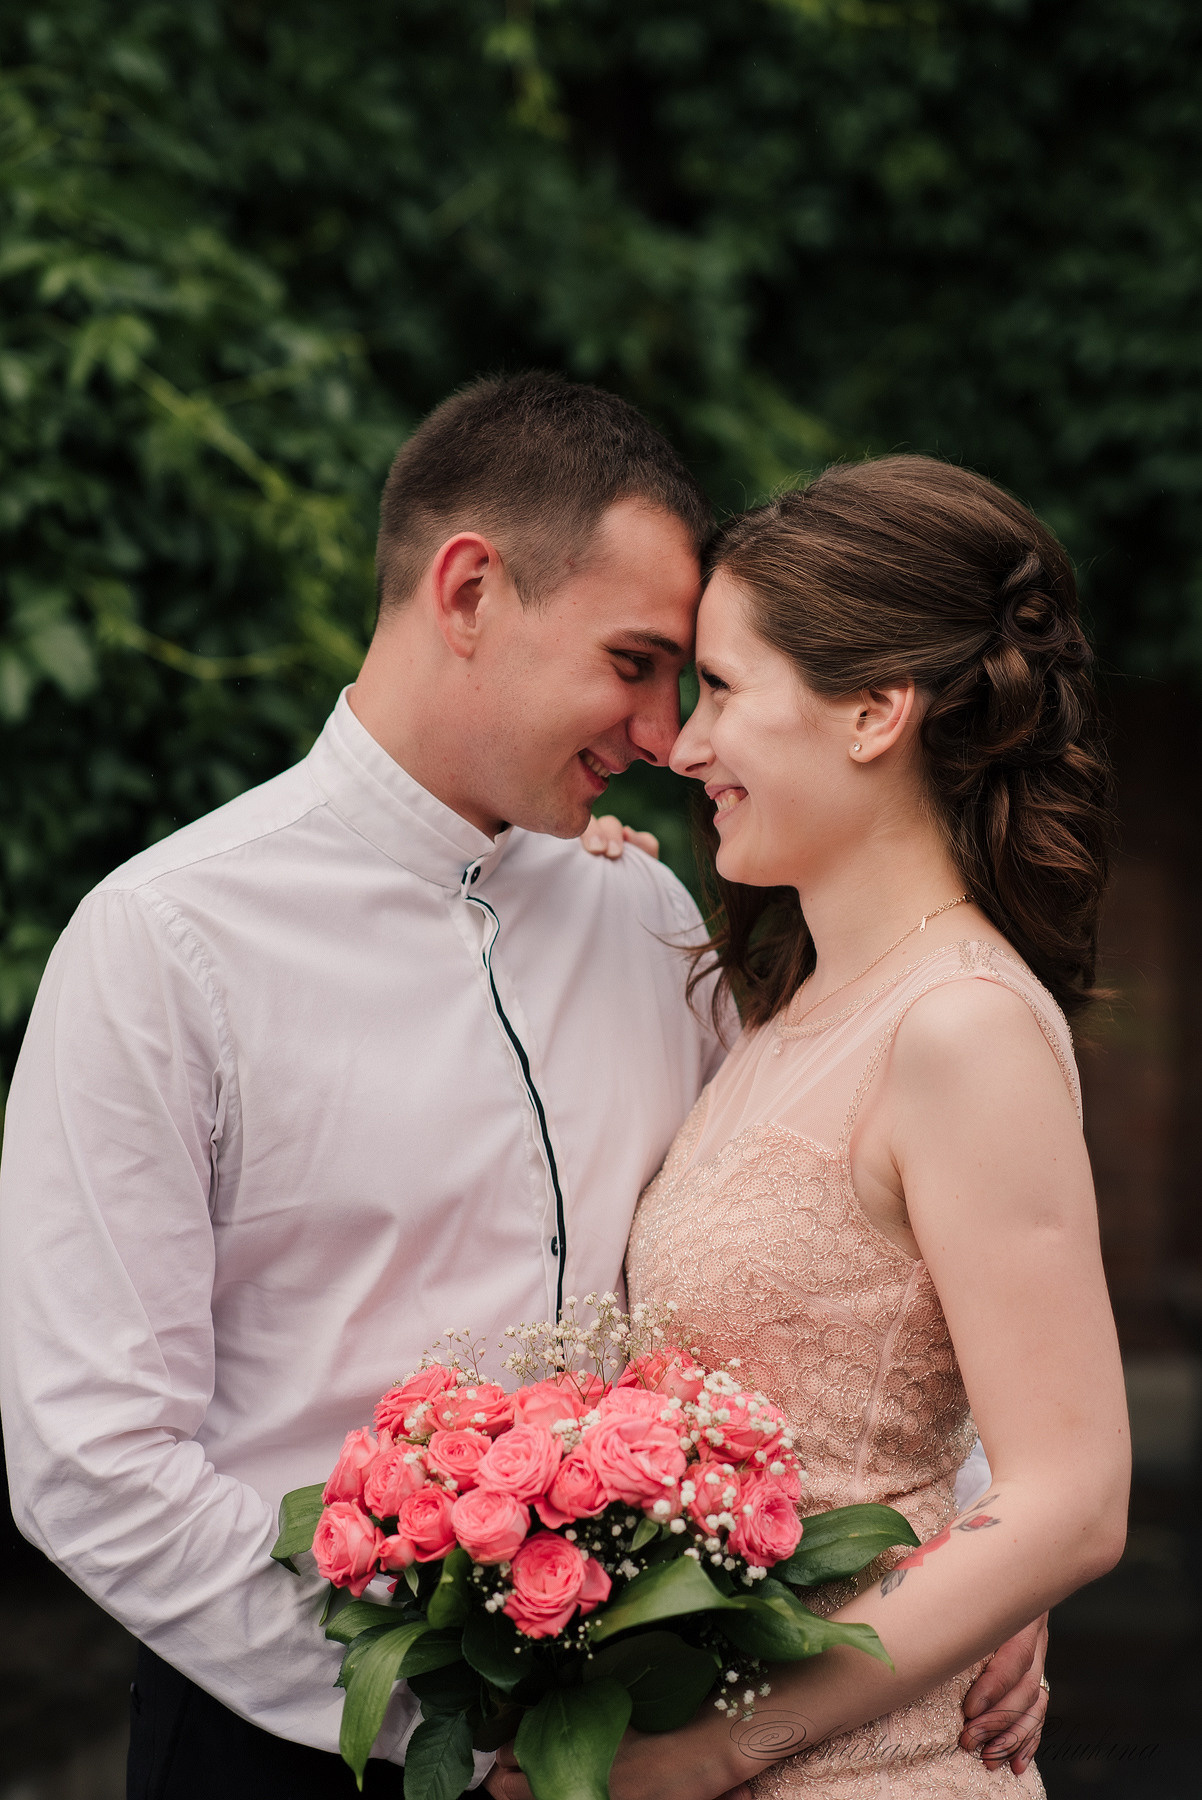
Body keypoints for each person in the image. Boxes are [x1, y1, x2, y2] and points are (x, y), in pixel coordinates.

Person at [0, 380, 1045, 1798]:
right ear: (470, 591)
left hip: (643, 1740)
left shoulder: (647, 916)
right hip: (289, 1740)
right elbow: (92, 1456)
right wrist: (442, 1715)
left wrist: (982, 1552)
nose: (664, 732)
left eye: (688, 680)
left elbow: (841, 1255)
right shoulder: (163, 944)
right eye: (634, 662)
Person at [505, 455, 1132, 1799]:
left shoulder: (962, 1027)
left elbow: (1072, 1498)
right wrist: (575, 894)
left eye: (723, 689)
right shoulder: (789, 1015)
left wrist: (708, 1752)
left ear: (872, 713)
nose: (682, 746)